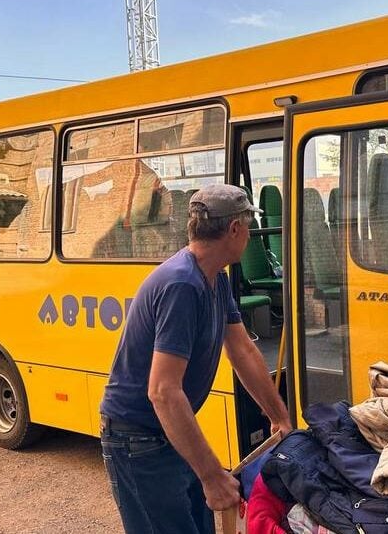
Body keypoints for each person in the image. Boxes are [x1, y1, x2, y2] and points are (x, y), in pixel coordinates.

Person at [99, 184, 293, 534]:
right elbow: (162, 391)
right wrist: (211, 475)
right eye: (248, 228)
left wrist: (280, 418)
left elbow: (242, 350)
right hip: (138, 441)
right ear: (234, 229)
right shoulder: (182, 284)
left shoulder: (214, 278)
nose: (249, 236)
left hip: (171, 433)